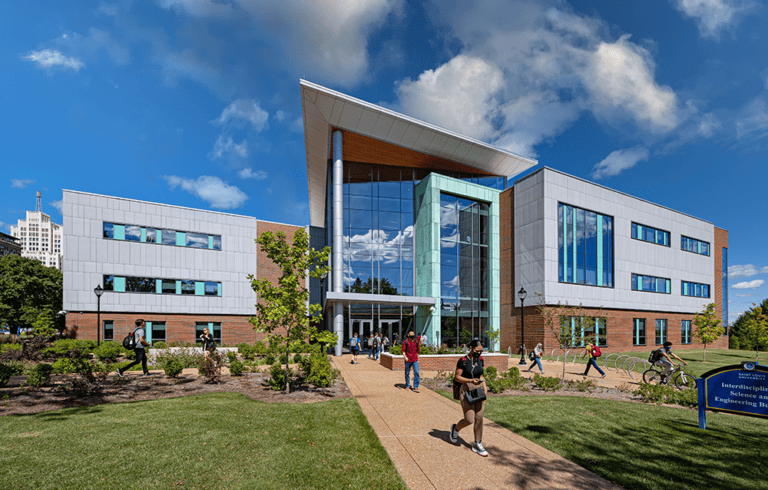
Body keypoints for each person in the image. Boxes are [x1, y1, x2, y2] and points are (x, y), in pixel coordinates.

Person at [450, 340, 488, 457]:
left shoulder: (480, 360)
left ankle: (477, 443)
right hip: (466, 390)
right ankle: (455, 429)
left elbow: (481, 375)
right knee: (469, 419)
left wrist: (485, 388)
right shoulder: (463, 361)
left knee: (479, 418)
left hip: (478, 390)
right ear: (471, 348)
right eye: (477, 351)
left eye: (481, 351)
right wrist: (470, 380)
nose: (479, 353)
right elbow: (457, 377)